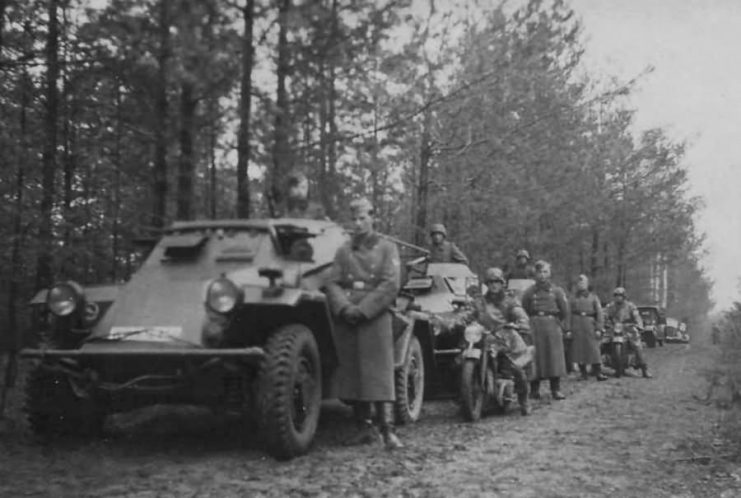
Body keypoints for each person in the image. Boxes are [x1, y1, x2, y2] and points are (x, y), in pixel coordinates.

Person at [323, 198, 403, 449]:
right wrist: (344, 308)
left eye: (363, 218)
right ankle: (363, 427)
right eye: (354, 219)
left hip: (375, 316)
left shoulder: (387, 248)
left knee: (380, 373)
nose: (358, 224)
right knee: (354, 373)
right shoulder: (344, 251)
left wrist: (364, 309)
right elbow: (332, 282)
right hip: (348, 316)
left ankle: (388, 430)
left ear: (373, 218)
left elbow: (390, 284)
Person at [467, 267, 532, 415]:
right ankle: (467, 398)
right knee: (461, 360)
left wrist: (518, 323)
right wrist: (460, 320)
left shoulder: (509, 301)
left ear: (502, 283)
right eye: (490, 282)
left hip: (505, 338)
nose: (494, 285)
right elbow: (469, 314)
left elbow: (520, 315)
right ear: (486, 285)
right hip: (483, 338)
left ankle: (524, 400)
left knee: (516, 367)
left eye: (497, 282)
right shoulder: (479, 302)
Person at [521, 260, 570, 400]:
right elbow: (524, 309)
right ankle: (534, 390)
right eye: (539, 272)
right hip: (534, 326)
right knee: (535, 358)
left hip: (552, 326)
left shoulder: (557, 291)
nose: (542, 275)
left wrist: (561, 325)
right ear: (535, 274)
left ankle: (556, 389)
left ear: (549, 274)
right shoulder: (529, 292)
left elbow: (564, 311)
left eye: (545, 272)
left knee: (554, 358)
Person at [603, 287, 652, 378]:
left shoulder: (630, 306)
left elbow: (636, 316)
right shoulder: (610, 306)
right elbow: (604, 315)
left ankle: (644, 369)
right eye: (616, 296)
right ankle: (595, 367)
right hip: (614, 328)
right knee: (602, 343)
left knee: (637, 345)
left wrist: (639, 325)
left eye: (620, 296)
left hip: (628, 328)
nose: (618, 298)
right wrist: (603, 323)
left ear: (624, 296)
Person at [569, 274, 608, 381]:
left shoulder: (593, 297)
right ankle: (583, 372)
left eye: (583, 283)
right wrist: (568, 329)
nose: (581, 285)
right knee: (579, 350)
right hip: (576, 325)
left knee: (594, 349)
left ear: (587, 284)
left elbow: (600, 314)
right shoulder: (572, 298)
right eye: (579, 283)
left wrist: (599, 328)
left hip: (589, 324)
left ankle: (598, 372)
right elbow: (568, 313)